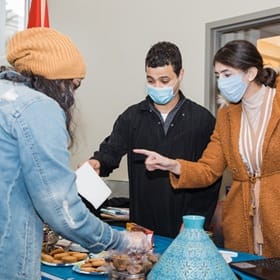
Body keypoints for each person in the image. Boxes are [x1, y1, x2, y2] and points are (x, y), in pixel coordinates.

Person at [0, 27, 148, 280]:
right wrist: (123, 241)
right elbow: (64, 211)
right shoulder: (38, 107)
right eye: (74, 86)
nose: (72, 98)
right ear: (59, 81)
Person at [134, 39, 280, 257]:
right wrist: (172, 164)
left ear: (250, 73)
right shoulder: (227, 115)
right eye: (217, 75)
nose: (221, 82)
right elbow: (209, 169)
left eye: (227, 74)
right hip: (241, 224)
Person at [86, 41, 222, 238]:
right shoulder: (131, 117)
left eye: (165, 81)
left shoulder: (202, 120)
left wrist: (195, 223)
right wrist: (97, 163)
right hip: (141, 227)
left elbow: (210, 178)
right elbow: (110, 152)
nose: (157, 87)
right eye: (151, 80)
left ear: (180, 75)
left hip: (185, 227)